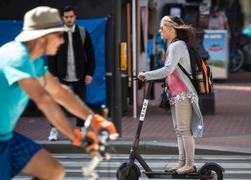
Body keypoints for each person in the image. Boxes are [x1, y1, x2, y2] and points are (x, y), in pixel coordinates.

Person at [0, 6, 118, 179]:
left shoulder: (33, 61)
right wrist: (78, 137)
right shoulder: (18, 58)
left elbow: (59, 93)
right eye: (59, 35)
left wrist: (93, 119)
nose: (62, 40)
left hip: (6, 137)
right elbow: (45, 101)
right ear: (43, 37)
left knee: (53, 171)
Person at [138, 16, 204, 174]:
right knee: (179, 130)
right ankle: (182, 162)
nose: (160, 30)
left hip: (183, 94)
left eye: (162, 27)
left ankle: (189, 164)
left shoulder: (177, 46)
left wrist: (147, 75)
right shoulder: (174, 45)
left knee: (184, 130)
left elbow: (168, 69)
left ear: (172, 29)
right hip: (176, 94)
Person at [47, 5, 96, 141]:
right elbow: (51, 55)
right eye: (66, 17)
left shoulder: (82, 32)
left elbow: (90, 55)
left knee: (80, 104)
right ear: (63, 18)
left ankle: (80, 130)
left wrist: (89, 73)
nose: (69, 19)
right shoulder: (57, 34)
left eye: (71, 17)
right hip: (61, 75)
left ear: (75, 17)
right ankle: (54, 129)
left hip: (79, 74)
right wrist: (54, 75)